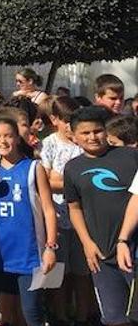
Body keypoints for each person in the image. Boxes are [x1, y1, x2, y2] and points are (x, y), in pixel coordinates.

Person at [64, 106, 138, 326]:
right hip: (102, 255)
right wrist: (87, 243)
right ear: (74, 135)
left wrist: (124, 239)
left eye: (97, 131)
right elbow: (74, 208)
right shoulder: (73, 168)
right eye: (85, 133)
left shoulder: (130, 156)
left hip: (132, 252)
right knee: (114, 319)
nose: (92, 137)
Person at [0, 118, 58, 326]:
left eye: (8, 135)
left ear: (17, 138)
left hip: (29, 255)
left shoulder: (33, 168)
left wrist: (51, 246)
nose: (2, 140)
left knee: (31, 311)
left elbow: (48, 210)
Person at [40, 96, 92, 326]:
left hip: (83, 218)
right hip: (58, 218)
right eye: (67, 120)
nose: (72, 125)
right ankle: (59, 315)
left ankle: (83, 316)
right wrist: (73, 181)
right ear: (55, 119)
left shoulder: (83, 143)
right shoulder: (49, 143)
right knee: (57, 273)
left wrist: (65, 180)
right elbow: (46, 179)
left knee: (82, 272)